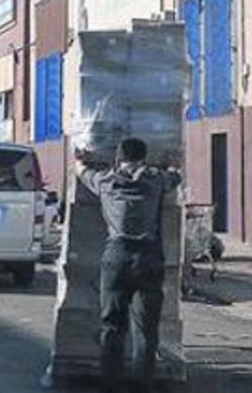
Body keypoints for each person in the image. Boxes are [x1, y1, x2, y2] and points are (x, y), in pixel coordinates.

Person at [74, 138, 180, 393]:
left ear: (118, 158)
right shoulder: (155, 181)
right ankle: (142, 385)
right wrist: (172, 164)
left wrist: (80, 159)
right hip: (148, 259)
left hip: (116, 257)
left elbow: (79, 171)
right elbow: (175, 176)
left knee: (112, 325)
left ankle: (111, 384)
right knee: (145, 328)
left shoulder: (105, 181)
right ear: (143, 158)